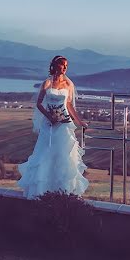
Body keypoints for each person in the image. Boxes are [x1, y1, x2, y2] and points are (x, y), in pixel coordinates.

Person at [17, 56, 89, 199]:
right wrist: (50, 116)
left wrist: (79, 122)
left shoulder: (69, 84)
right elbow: (39, 104)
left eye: (67, 65)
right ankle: (43, 190)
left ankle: (64, 191)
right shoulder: (47, 83)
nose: (65, 68)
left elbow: (69, 105)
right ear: (56, 66)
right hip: (49, 125)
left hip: (63, 126)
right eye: (63, 65)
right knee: (45, 155)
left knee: (64, 156)